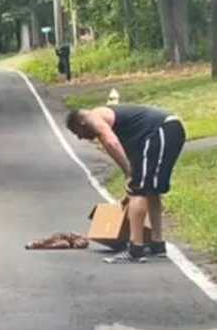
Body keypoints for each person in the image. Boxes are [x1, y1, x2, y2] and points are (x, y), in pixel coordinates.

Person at [65, 104, 186, 263]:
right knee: (150, 189)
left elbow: (112, 143)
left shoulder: (94, 118)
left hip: (161, 129)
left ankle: (136, 249)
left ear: (81, 123)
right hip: (164, 131)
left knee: (138, 189)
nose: (80, 138)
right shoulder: (121, 126)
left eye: (77, 133)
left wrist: (129, 174)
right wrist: (131, 175)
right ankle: (157, 244)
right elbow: (130, 153)